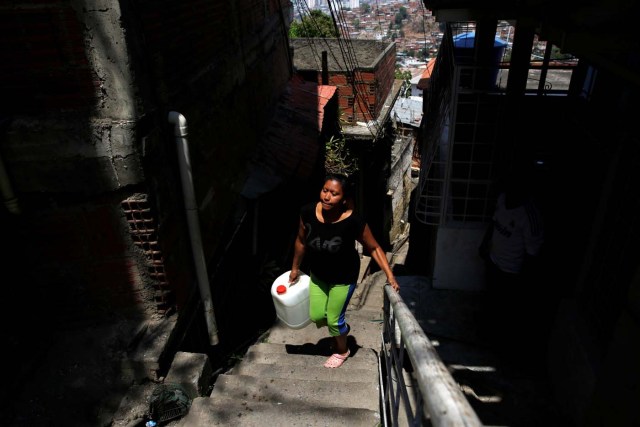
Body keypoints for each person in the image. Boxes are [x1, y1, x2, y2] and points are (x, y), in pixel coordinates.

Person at [288, 173, 400, 368]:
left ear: (344, 199)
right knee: (316, 316)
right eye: (325, 191)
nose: (327, 197)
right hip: (318, 275)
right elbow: (301, 241)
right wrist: (295, 268)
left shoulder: (353, 222)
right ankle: (341, 330)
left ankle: (342, 350)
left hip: (343, 277)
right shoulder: (307, 212)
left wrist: (389, 275)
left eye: (334, 194)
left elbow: (373, 248)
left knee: (333, 320)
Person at [478, 170, 544, 354]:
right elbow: (494, 222)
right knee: (491, 301)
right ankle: (487, 337)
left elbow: (533, 254)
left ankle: (501, 347)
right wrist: (485, 243)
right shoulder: (502, 199)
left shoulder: (529, 216)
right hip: (494, 260)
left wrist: (523, 282)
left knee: (506, 310)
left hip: (511, 271)